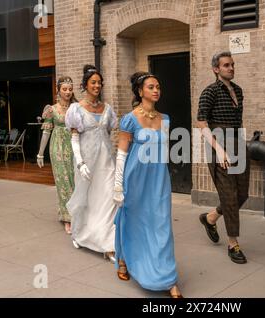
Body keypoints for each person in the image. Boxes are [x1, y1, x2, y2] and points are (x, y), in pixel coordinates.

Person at [113, 72, 182, 298]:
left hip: (158, 179)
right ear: (140, 91)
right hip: (135, 177)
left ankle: (169, 280)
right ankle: (123, 259)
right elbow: (122, 153)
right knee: (132, 219)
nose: (156, 90)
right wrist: (117, 185)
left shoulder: (166, 119)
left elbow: (162, 151)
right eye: (151, 87)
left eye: (158, 86)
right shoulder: (129, 119)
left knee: (162, 226)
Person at [196, 51, 250, 264]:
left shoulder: (238, 90)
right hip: (219, 144)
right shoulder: (210, 92)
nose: (231, 68)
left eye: (232, 65)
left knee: (242, 194)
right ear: (216, 69)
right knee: (229, 194)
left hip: (238, 142)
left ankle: (210, 218)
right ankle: (233, 243)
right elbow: (201, 123)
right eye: (226, 65)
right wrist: (218, 149)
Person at [65, 65, 117, 263]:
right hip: (86, 162)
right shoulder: (75, 109)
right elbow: (74, 138)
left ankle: (108, 244)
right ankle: (79, 234)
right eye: (93, 82)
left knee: (109, 199)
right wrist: (80, 163)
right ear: (85, 84)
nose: (97, 85)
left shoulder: (108, 109)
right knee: (86, 199)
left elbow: (109, 133)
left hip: (106, 162)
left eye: (99, 82)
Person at [37, 76, 77, 234]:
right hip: (57, 148)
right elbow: (46, 132)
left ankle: (77, 214)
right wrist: (40, 154)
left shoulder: (76, 107)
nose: (68, 92)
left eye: (70, 89)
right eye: (64, 89)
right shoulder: (51, 110)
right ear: (58, 90)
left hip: (74, 146)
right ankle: (67, 218)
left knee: (75, 181)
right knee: (63, 183)